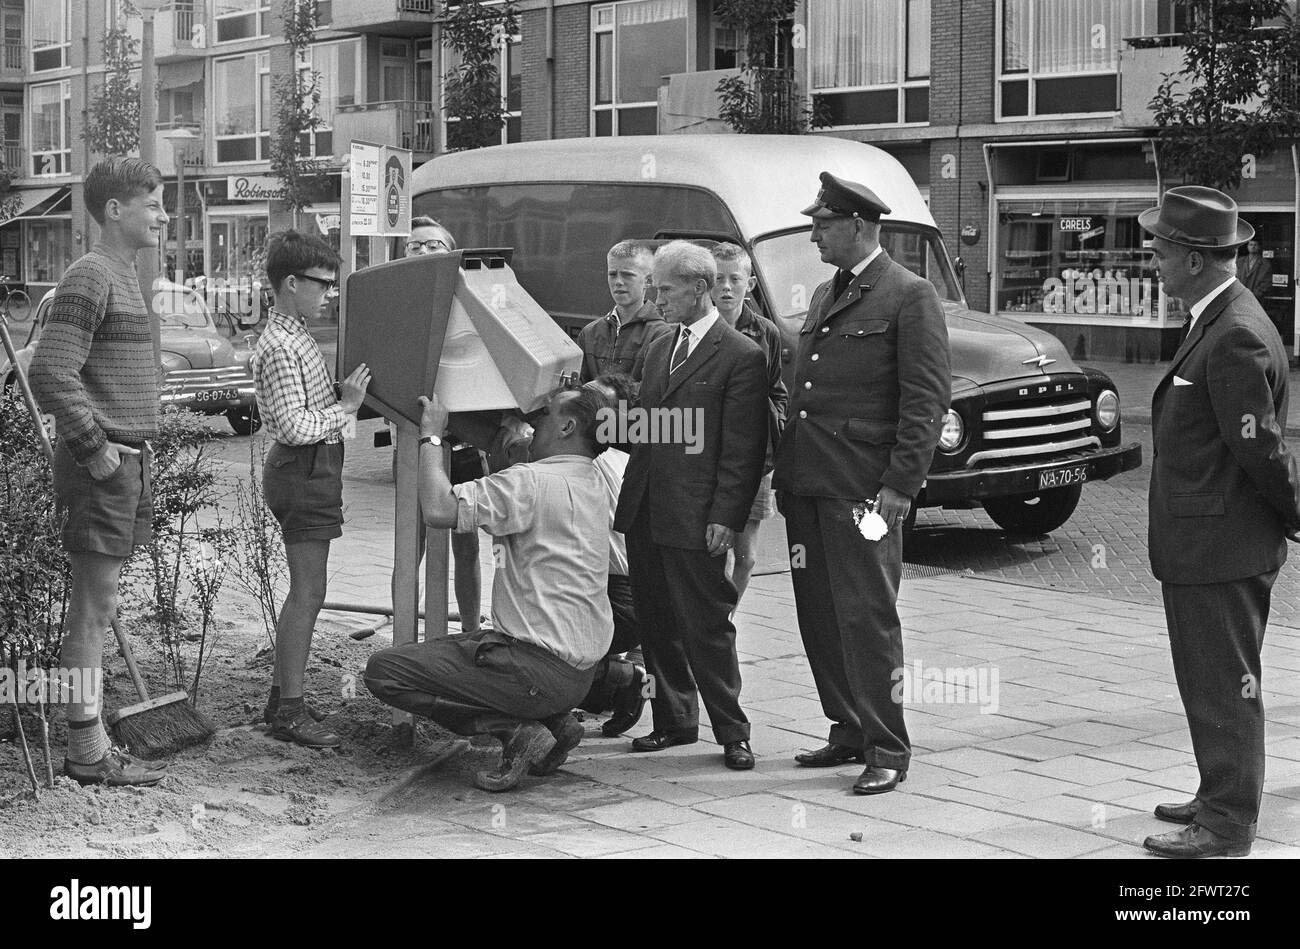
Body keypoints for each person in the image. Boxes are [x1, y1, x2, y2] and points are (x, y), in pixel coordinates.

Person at [774, 172, 950, 795]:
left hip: (865, 491)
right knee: (819, 614)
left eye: (823, 225)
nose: (814, 234)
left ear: (858, 225)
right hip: (811, 482)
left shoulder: (909, 295)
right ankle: (847, 727)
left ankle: (887, 746)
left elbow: (925, 400)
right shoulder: (828, 291)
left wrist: (901, 484)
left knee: (867, 615)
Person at [1139, 186, 1300, 858]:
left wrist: (1295, 515)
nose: (1153, 259)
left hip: (1221, 547)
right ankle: (1216, 793)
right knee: (1209, 681)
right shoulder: (1218, 316)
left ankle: (1227, 825)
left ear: (1197, 259)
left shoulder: (1231, 333)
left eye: (1162, 248)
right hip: (1207, 543)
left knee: (1226, 686)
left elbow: (1260, 445)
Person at [364, 387, 615, 792]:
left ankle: (514, 729)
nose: (531, 422)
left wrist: (431, 435)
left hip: (533, 669)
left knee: (385, 671)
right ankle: (555, 722)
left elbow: (440, 509)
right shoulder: (595, 476)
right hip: (580, 675)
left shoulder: (530, 482)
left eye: (543, 415)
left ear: (567, 426)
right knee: (474, 644)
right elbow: (513, 481)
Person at [28, 157, 169, 787]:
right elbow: (50, 372)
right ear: (116, 211)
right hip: (103, 465)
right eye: (154, 203)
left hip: (128, 462)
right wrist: (96, 448)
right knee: (90, 609)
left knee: (100, 600)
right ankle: (85, 751)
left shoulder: (125, 276)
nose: (164, 216)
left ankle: (88, 740)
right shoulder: (91, 274)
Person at [614, 241, 768, 770]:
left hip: (699, 517)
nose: (656, 299)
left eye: (665, 288)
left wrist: (725, 518)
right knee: (655, 623)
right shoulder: (659, 348)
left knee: (707, 624)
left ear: (699, 288)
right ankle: (674, 722)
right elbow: (649, 428)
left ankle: (732, 731)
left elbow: (742, 451)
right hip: (647, 510)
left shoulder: (742, 355)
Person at [251, 230, 372, 748]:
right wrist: (345, 407)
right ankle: (289, 712)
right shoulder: (280, 344)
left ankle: (283, 699)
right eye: (322, 284)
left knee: (309, 590)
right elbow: (297, 426)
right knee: (308, 592)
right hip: (301, 467)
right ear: (291, 283)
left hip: (311, 468)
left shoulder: (295, 331)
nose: (329, 294)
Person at [392, 216, 486, 633]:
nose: (424, 252)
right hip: (413, 441)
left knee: (465, 544)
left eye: (434, 246)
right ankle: (404, 629)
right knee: (410, 545)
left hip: (462, 442)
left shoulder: (471, 306)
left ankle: (468, 631)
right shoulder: (396, 306)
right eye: (415, 246)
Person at [709, 242, 787, 604]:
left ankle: (726, 619)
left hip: (755, 461)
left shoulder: (766, 332)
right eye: (718, 279)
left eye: (734, 279)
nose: (726, 287)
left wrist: (774, 428)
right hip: (708, 458)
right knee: (712, 550)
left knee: (748, 556)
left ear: (750, 284)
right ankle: (709, 630)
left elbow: (778, 391)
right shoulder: (698, 328)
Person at [576, 372, 648, 737]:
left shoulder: (599, 460)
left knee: (549, 657)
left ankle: (628, 679)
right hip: (603, 586)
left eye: (593, 403)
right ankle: (609, 686)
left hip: (620, 595)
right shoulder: (611, 458)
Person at [578, 240, 673, 383]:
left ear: (648, 281)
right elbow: (577, 389)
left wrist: (607, 394)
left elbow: (653, 392)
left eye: (627, 275)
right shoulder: (589, 333)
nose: (618, 282)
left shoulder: (661, 334)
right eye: (612, 274)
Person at [1238, 239, 1273, 303]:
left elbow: (1266, 284)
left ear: (1259, 247)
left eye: (1255, 245)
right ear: (1247, 247)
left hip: (1256, 300)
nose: (1253, 247)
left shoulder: (1265, 264)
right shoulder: (1239, 262)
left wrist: (1252, 296)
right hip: (1239, 299)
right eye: (1251, 244)